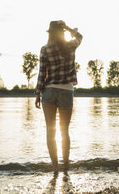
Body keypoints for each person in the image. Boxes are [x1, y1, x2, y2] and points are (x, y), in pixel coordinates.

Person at [35, 20, 83, 172]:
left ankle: (56, 168)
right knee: (64, 130)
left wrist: (38, 94)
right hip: (67, 91)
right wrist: (69, 28)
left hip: (48, 91)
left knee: (51, 130)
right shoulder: (70, 46)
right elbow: (80, 36)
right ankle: (66, 166)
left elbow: (42, 74)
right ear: (62, 32)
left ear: (50, 33)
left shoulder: (45, 49)